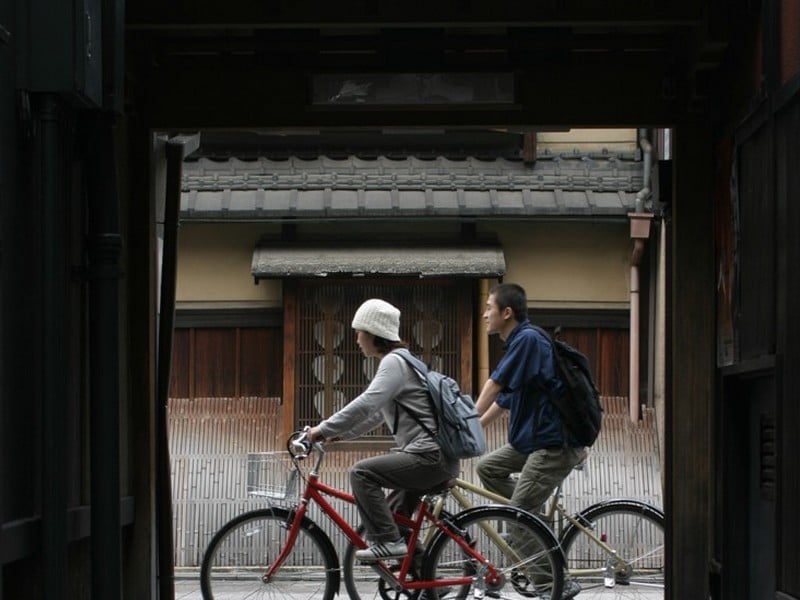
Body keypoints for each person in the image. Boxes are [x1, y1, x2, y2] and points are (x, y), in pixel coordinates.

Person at [307, 298, 460, 562]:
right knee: (393, 515)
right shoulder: (404, 362)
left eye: (359, 332)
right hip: (436, 457)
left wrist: (320, 429)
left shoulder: (394, 363)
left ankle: (388, 542)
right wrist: (339, 433)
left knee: (361, 473)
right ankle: (423, 582)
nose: (356, 339)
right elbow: (377, 413)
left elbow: (367, 403)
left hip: (428, 457)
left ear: (373, 333)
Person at [475, 283, 585, 599]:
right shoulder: (522, 345)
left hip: (553, 445)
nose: (484, 314)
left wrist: (463, 421)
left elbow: (495, 385)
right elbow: (505, 398)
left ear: (506, 313)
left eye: (489, 308)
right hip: (533, 442)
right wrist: (475, 427)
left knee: (517, 519)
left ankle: (554, 585)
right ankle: (533, 517)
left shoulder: (527, 340)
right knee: (488, 469)